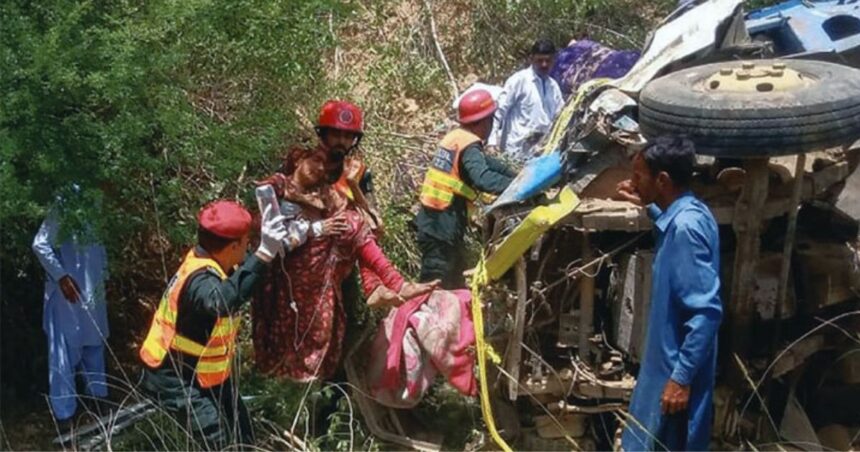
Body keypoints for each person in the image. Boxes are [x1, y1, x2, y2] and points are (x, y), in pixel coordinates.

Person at [252, 147, 436, 383]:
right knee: (291, 337)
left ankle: (387, 283)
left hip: (318, 271)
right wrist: (315, 226)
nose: (319, 170)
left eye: (325, 167)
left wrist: (353, 185)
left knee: (355, 223)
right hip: (284, 271)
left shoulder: (323, 194)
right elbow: (272, 234)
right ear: (298, 159)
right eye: (316, 161)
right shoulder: (277, 186)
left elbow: (369, 221)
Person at [139, 200, 288, 448]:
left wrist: (281, 244)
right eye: (246, 242)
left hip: (207, 373)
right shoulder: (200, 280)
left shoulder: (216, 261)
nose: (249, 247)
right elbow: (221, 301)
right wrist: (263, 253)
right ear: (232, 246)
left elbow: (248, 272)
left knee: (242, 432)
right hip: (176, 377)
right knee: (218, 441)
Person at [616, 136, 723, 451]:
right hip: (663, 368)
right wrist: (646, 204)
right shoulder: (691, 211)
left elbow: (706, 312)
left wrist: (681, 379)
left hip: (672, 373)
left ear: (662, 180)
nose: (633, 182)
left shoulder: (685, 230)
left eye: (639, 176)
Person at [416, 89, 516, 289]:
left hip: (435, 222)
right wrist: (517, 186)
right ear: (485, 121)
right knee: (433, 287)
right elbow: (483, 178)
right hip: (443, 226)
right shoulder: (469, 145)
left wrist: (516, 174)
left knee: (452, 283)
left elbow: (489, 164)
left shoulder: (456, 137)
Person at [32, 190, 110, 431]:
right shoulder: (66, 199)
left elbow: (99, 245)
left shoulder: (96, 198)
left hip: (92, 287)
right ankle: (65, 415)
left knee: (94, 343)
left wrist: (105, 272)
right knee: (63, 353)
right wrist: (61, 277)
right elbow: (40, 243)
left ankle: (98, 402)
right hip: (67, 292)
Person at [492, 38, 564, 161]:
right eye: (539, 60)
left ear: (554, 60)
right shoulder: (519, 81)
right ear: (531, 59)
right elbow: (499, 112)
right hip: (515, 153)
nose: (544, 65)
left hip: (541, 153)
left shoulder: (553, 86)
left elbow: (561, 116)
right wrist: (492, 142)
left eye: (548, 60)